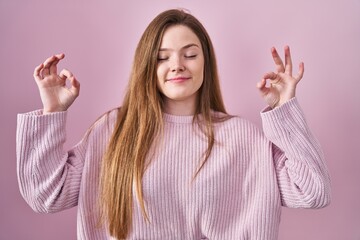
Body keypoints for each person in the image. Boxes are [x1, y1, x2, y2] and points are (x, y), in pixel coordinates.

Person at [16, 9, 331, 240]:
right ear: (146, 66)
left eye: (190, 54)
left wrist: (283, 107)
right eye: (162, 57)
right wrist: (53, 110)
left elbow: (313, 191)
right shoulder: (113, 131)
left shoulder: (242, 137)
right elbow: (46, 196)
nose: (177, 65)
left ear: (205, 61)